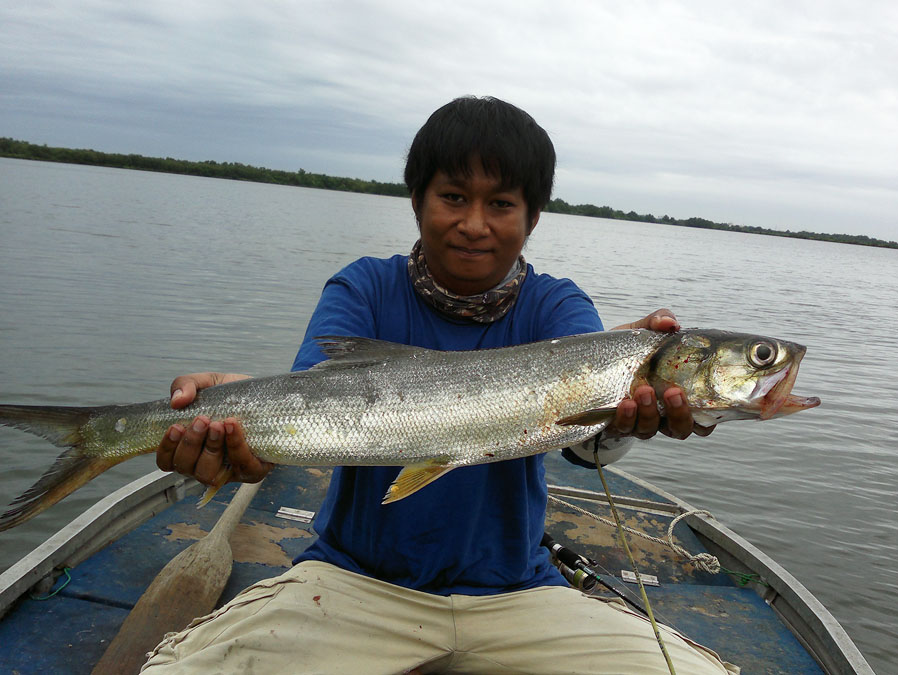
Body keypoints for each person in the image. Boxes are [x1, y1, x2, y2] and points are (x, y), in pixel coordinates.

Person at [144, 97, 733, 674]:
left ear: (532, 217)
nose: (474, 224)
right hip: (352, 582)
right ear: (418, 202)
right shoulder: (364, 288)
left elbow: (585, 445)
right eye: (453, 197)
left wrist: (625, 417)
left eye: (500, 203)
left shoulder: (558, 303)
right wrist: (232, 427)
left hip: (519, 592)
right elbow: (310, 403)